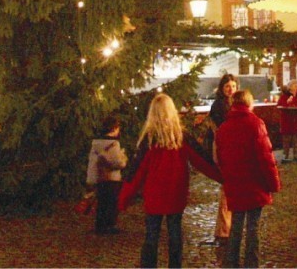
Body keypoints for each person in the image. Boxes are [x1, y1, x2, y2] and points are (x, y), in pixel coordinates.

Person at [118, 93, 224, 269]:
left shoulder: (149, 140)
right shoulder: (181, 137)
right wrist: (223, 177)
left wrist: (123, 199)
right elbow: (202, 160)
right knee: (175, 235)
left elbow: (136, 172)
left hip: (154, 195)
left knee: (152, 235)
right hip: (176, 193)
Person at [215, 90, 281, 268]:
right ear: (249, 104)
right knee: (253, 227)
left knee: (236, 225)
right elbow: (266, 157)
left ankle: (231, 261)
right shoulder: (256, 124)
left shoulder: (223, 128)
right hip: (255, 184)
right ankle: (252, 263)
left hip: (235, 184)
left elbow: (220, 158)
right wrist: (273, 183)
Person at [207, 74, 238, 246]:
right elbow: (218, 129)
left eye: (233, 86)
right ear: (222, 88)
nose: (230, 89)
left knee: (228, 187)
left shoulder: (232, 104)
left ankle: (224, 227)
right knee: (227, 187)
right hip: (223, 147)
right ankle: (225, 228)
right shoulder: (219, 105)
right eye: (227, 86)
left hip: (228, 147)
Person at [86, 114, 128, 235]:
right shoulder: (113, 144)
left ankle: (100, 225)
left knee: (101, 202)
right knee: (111, 203)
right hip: (111, 178)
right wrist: (123, 159)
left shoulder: (96, 143)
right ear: (114, 128)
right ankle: (109, 226)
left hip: (99, 177)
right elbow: (117, 162)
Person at [277, 79, 297, 161]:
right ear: (290, 87)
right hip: (286, 120)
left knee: (296, 138)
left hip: (296, 120)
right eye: (295, 85)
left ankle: (296, 155)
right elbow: (279, 106)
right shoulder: (284, 96)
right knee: (286, 138)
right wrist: (287, 102)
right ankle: (286, 155)